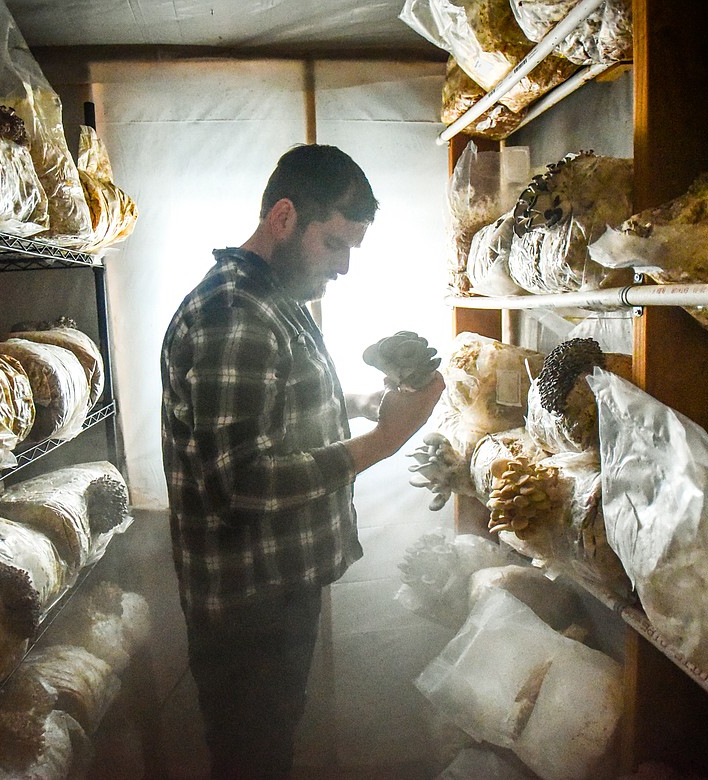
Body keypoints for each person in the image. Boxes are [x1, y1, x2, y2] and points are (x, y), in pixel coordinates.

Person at [160, 144, 445, 779]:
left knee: (270, 743)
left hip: (274, 589)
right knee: (254, 757)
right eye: (335, 245)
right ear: (284, 217)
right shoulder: (235, 314)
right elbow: (241, 483)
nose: (344, 269)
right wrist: (383, 443)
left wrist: (374, 402)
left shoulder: (274, 297)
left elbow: (281, 404)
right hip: (247, 607)